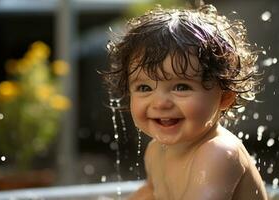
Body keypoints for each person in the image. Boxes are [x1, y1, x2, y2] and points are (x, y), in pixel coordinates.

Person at [102, 3, 268, 200]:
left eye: (181, 87)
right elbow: (149, 194)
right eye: (144, 88)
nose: (160, 103)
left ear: (225, 97)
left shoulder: (219, 153)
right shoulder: (156, 151)